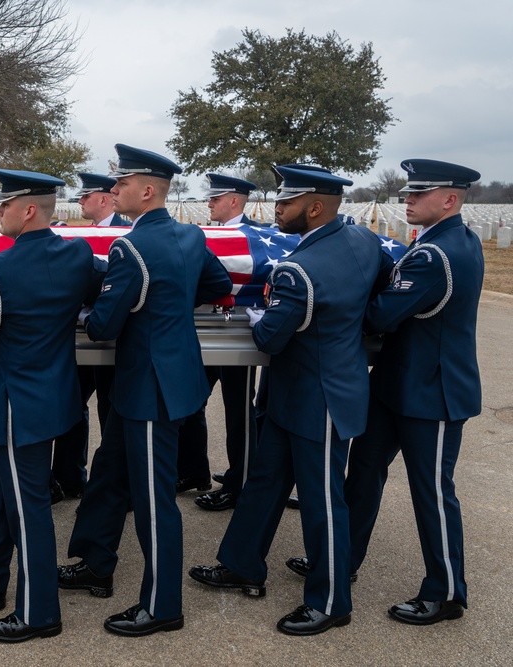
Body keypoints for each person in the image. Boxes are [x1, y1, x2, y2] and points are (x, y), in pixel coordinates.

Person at [188, 164, 394, 636]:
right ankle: (242, 564)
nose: (276, 209)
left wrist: (259, 313)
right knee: (265, 480)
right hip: (305, 391)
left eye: (286, 203)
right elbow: (379, 286)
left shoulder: (299, 270)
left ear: (315, 207)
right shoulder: (363, 240)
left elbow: (270, 338)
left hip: (316, 400)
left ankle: (330, 601)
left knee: (324, 501)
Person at [286, 159, 483, 626]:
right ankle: (342, 563)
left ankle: (447, 591)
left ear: (450, 200)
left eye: (418, 194)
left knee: (433, 493)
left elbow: (379, 316)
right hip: (398, 386)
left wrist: (343, 293)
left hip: (432, 393)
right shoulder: (446, 241)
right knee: (365, 473)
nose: (406, 200)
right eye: (408, 193)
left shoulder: (437, 256)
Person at [59, 144, 232, 637]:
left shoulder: (129, 247)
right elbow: (217, 283)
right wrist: (166, 303)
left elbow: (105, 326)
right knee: (110, 473)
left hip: (148, 387)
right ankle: (95, 563)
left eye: (122, 184)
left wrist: (108, 311)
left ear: (148, 190)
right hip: (170, 377)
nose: (114, 191)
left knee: (155, 501)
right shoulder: (191, 237)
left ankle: (162, 606)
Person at [0, 169, 103, 643]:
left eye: (4, 205)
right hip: (57, 398)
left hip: (16, 406)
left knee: (28, 511)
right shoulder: (78, 256)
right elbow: (96, 294)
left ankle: (38, 613)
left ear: (28, 210)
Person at [179, 174, 263, 510]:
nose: (209, 203)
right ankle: (193, 471)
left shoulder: (254, 238)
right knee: (192, 400)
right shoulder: (205, 235)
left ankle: (240, 483)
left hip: (237, 331)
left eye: (216, 199)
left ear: (234, 201)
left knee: (238, 410)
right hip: (207, 330)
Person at [50, 172, 129, 496]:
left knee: (111, 411)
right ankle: (69, 478)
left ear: (104, 199)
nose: (80, 201)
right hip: (80, 336)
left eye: (85, 197)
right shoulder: (76, 236)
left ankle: (114, 486)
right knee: (70, 405)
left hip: (114, 336)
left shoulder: (127, 233)